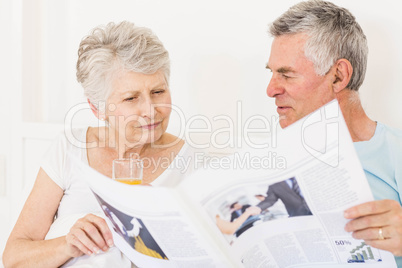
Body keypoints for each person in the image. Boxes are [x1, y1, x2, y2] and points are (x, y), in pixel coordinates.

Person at [3, 21, 199, 267]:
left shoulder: (190, 163)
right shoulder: (69, 147)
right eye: (131, 98)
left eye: (158, 92)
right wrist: (68, 244)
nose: (151, 110)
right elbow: (14, 259)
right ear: (97, 108)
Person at [262, 0, 402, 265]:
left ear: (338, 76)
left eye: (287, 74)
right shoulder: (272, 161)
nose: (271, 89)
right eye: (271, 73)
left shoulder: (395, 153)